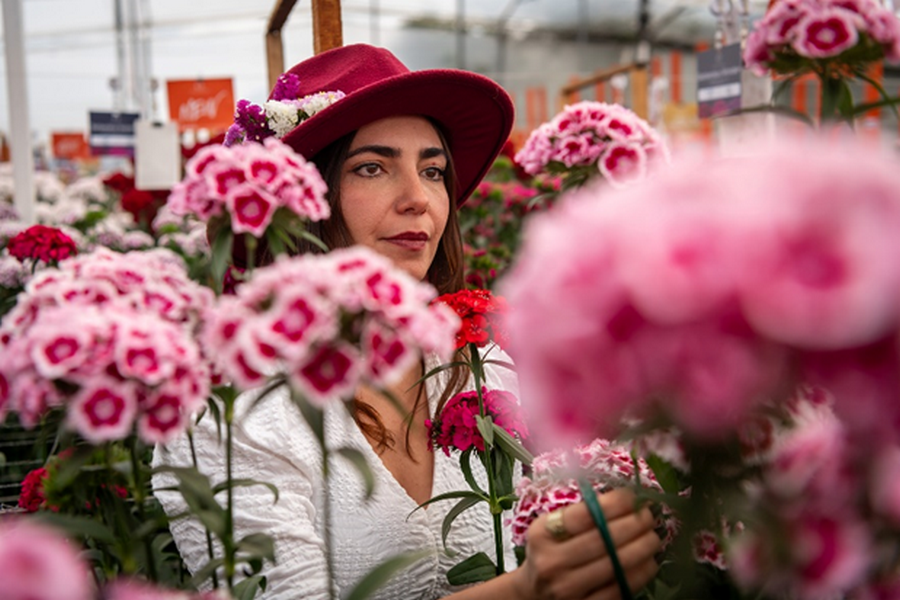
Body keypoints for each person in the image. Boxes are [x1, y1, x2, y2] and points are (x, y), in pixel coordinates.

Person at [153, 44, 661, 600]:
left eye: (434, 170)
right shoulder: (222, 416)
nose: (420, 199)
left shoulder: (479, 362)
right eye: (372, 167)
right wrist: (527, 590)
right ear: (299, 197)